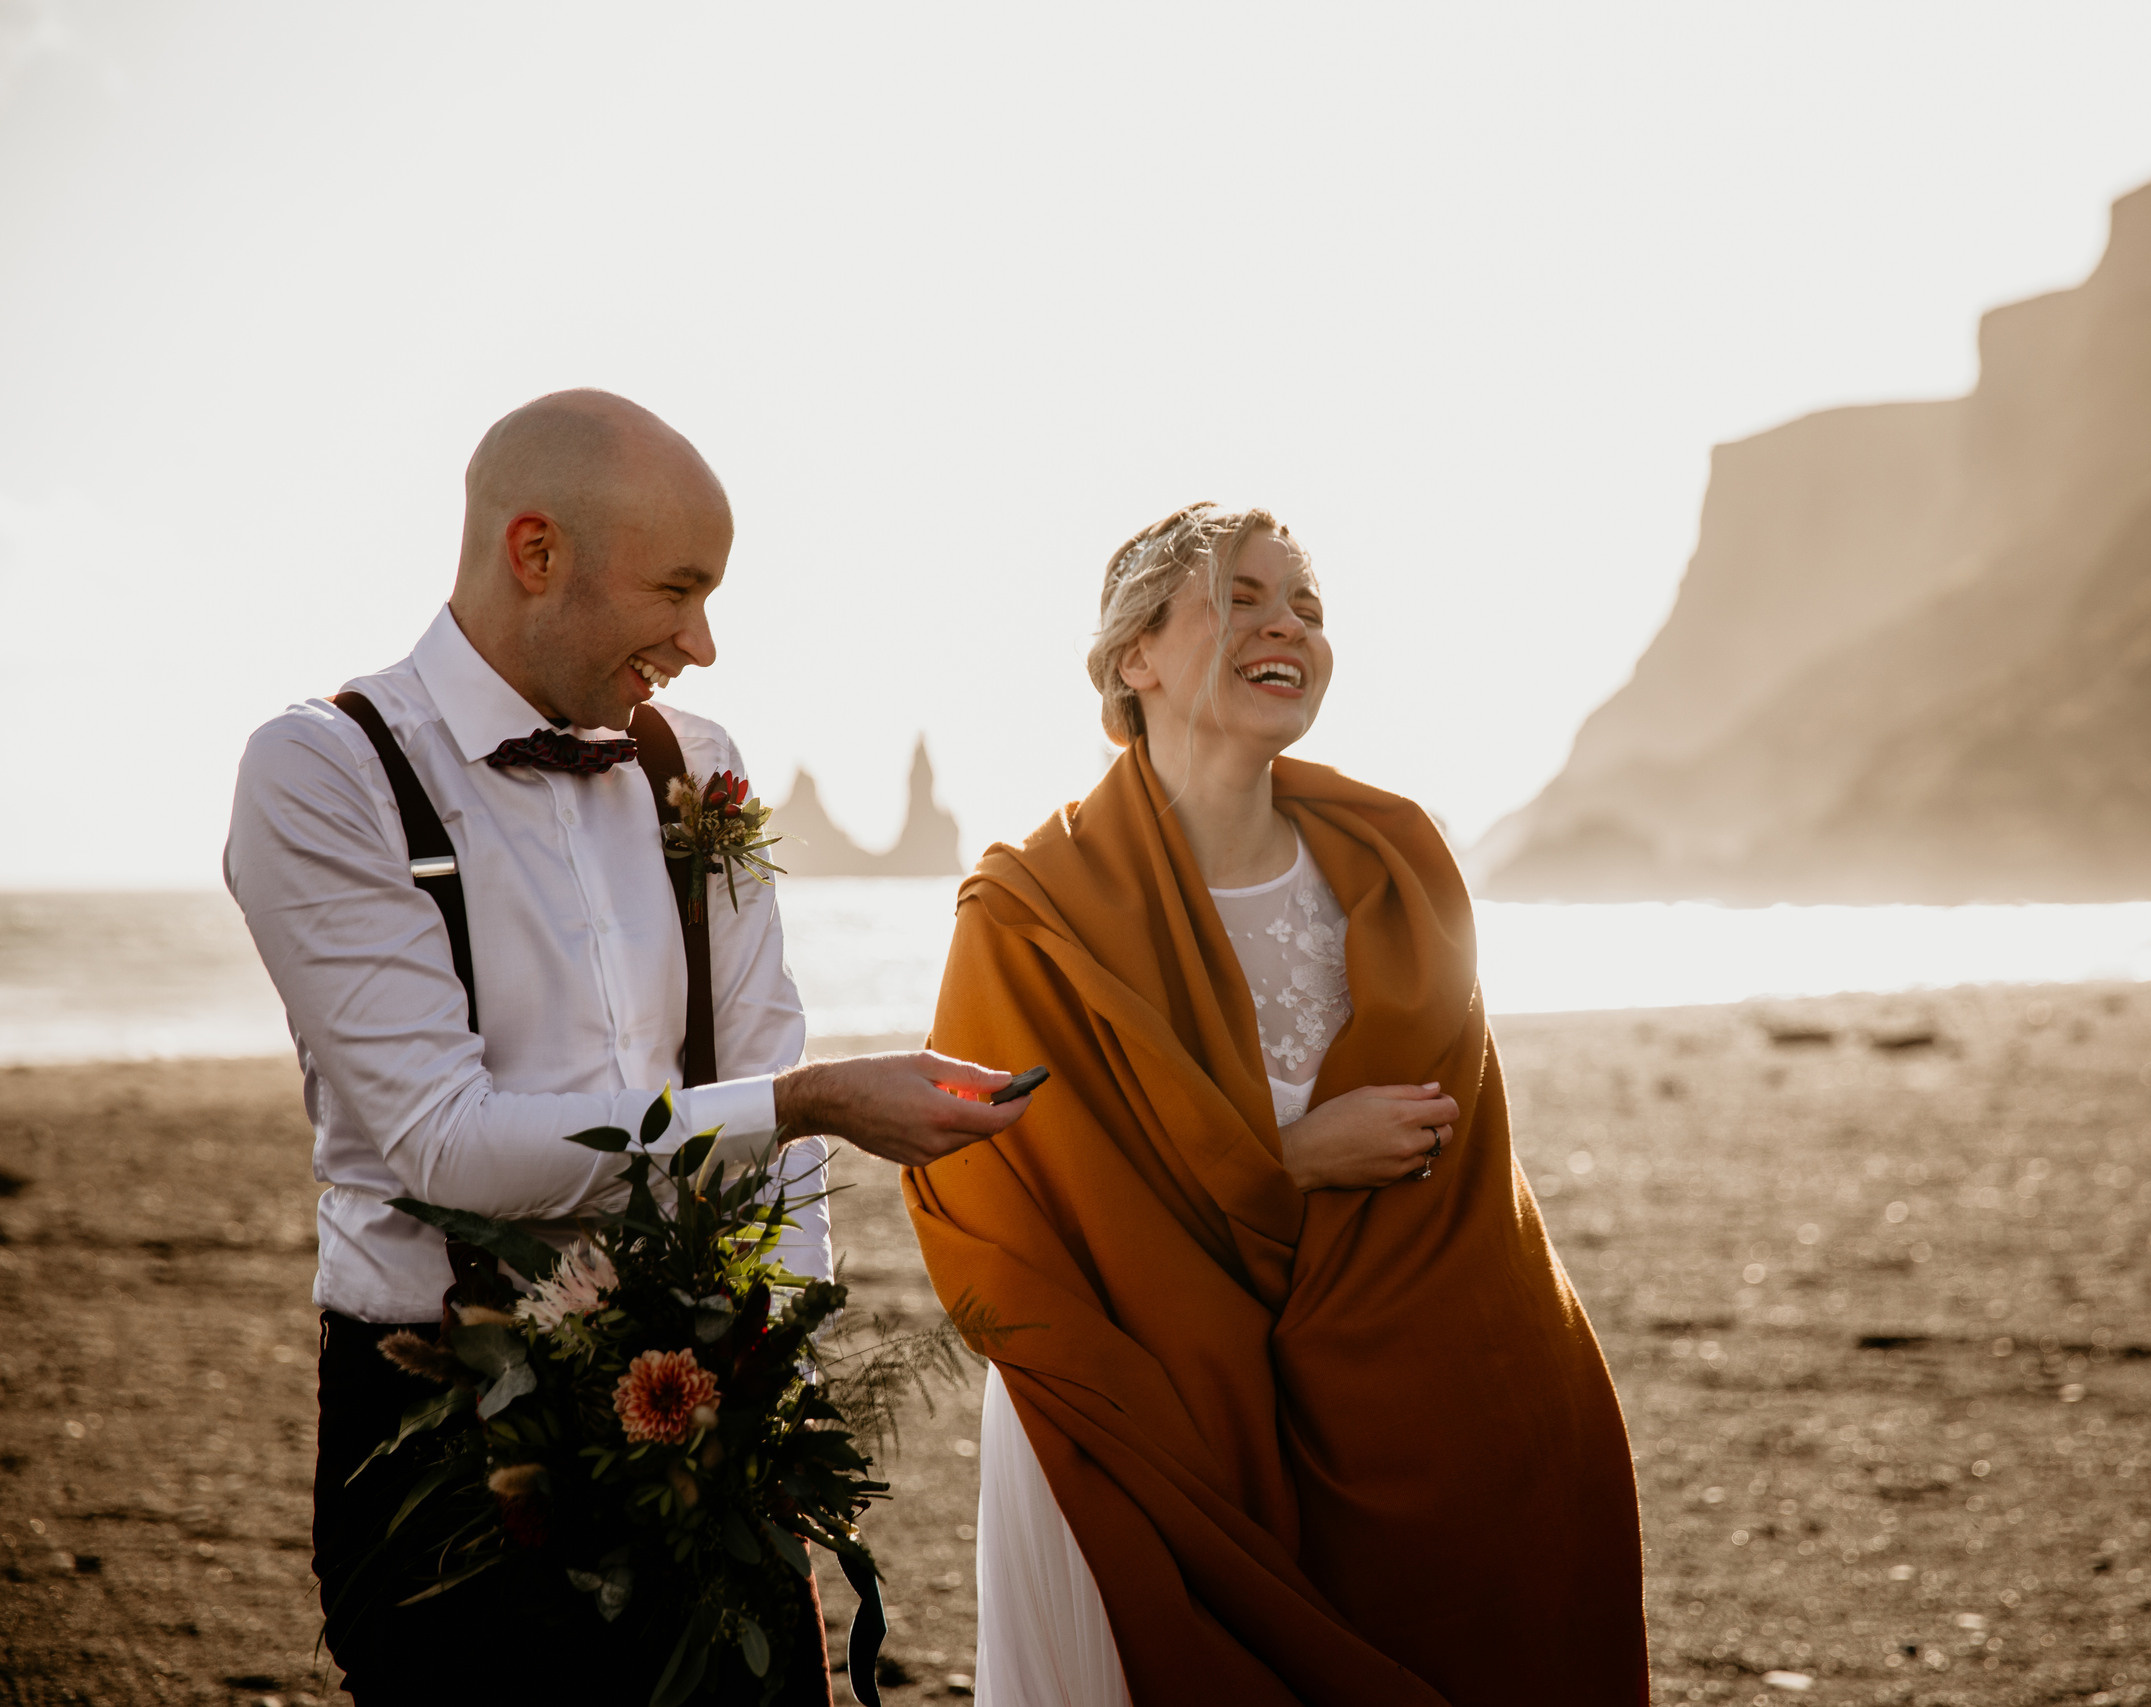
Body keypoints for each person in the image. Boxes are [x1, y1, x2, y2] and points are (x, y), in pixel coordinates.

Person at [225, 389, 1029, 1703]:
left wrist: (779, 1372)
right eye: (678, 589)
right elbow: (443, 1145)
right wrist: (805, 1100)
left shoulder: (697, 765)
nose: (703, 643)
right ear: (536, 551)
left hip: (706, 1385)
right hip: (445, 1418)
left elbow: (761, 1064)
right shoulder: (325, 770)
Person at [905, 504, 1650, 1705]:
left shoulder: (1395, 864)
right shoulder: (1030, 911)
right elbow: (1022, 1195)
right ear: (1134, 658)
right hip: (1132, 1404)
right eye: (1241, 598)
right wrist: (1287, 1160)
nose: (1287, 626)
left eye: (1306, 605)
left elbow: (1456, 1167)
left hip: (1389, 1374)